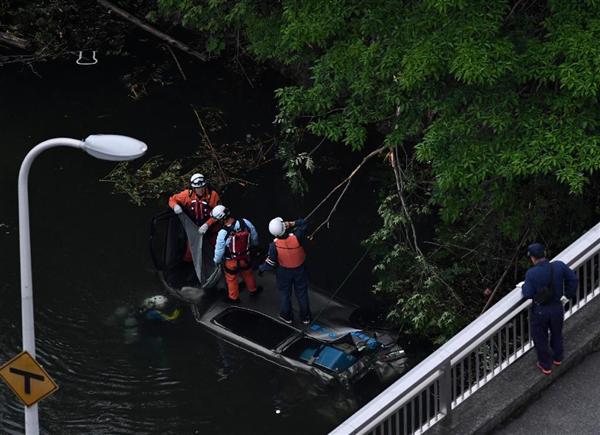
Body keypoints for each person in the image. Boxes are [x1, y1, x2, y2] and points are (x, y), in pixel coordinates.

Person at [521, 243, 578, 375]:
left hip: (540, 311)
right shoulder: (558, 265)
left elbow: (528, 294)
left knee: (540, 337)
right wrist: (568, 296)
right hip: (557, 307)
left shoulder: (531, 273)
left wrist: (524, 286)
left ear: (533, 258)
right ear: (545, 254)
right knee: (557, 332)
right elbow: (573, 280)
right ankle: (558, 358)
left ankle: (545, 365)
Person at [259, 217, 312, 325]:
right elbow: (305, 223)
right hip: (300, 270)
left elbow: (270, 263)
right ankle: (305, 317)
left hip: (284, 272)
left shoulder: (274, 246)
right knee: (302, 294)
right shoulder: (297, 237)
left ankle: (286, 316)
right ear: (284, 227)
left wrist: (261, 268)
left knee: (285, 295)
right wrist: (292, 223)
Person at [212, 205, 261, 302]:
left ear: (220, 219)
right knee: (248, 273)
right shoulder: (244, 222)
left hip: (231, 262)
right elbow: (254, 235)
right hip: (245, 257)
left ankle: (234, 298)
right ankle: (253, 290)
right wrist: (255, 246)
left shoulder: (222, 233)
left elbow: (219, 251)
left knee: (231, 278)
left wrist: (216, 261)